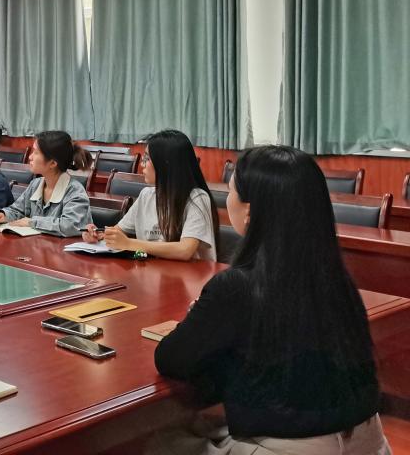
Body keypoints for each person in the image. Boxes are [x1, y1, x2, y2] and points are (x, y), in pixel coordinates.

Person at [149, 146, 390, 455]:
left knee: (156, 442)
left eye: (231, 191)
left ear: (250, 211)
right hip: (369, 439)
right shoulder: (335, 278)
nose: (227, 200)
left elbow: (170, 358)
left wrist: (206, 322)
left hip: (296, 447)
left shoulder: (236, 286)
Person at [82, 129, 218, 261]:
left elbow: (185, 250)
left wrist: (129, 243)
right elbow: (118, 231)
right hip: (154, 270)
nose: (142, 165)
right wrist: (98, 234)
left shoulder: (197, 198)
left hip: (190, 274)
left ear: (165, 163)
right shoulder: (146, 195)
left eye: (147, 159)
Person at [0, 131, 92, 237]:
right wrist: (4, 215)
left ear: (52, 163)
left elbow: (70, 225)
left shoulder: (75, 191)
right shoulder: (35, 184)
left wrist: (32, 222)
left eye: (36, 152)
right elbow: (17, 210)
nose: (30, 157)